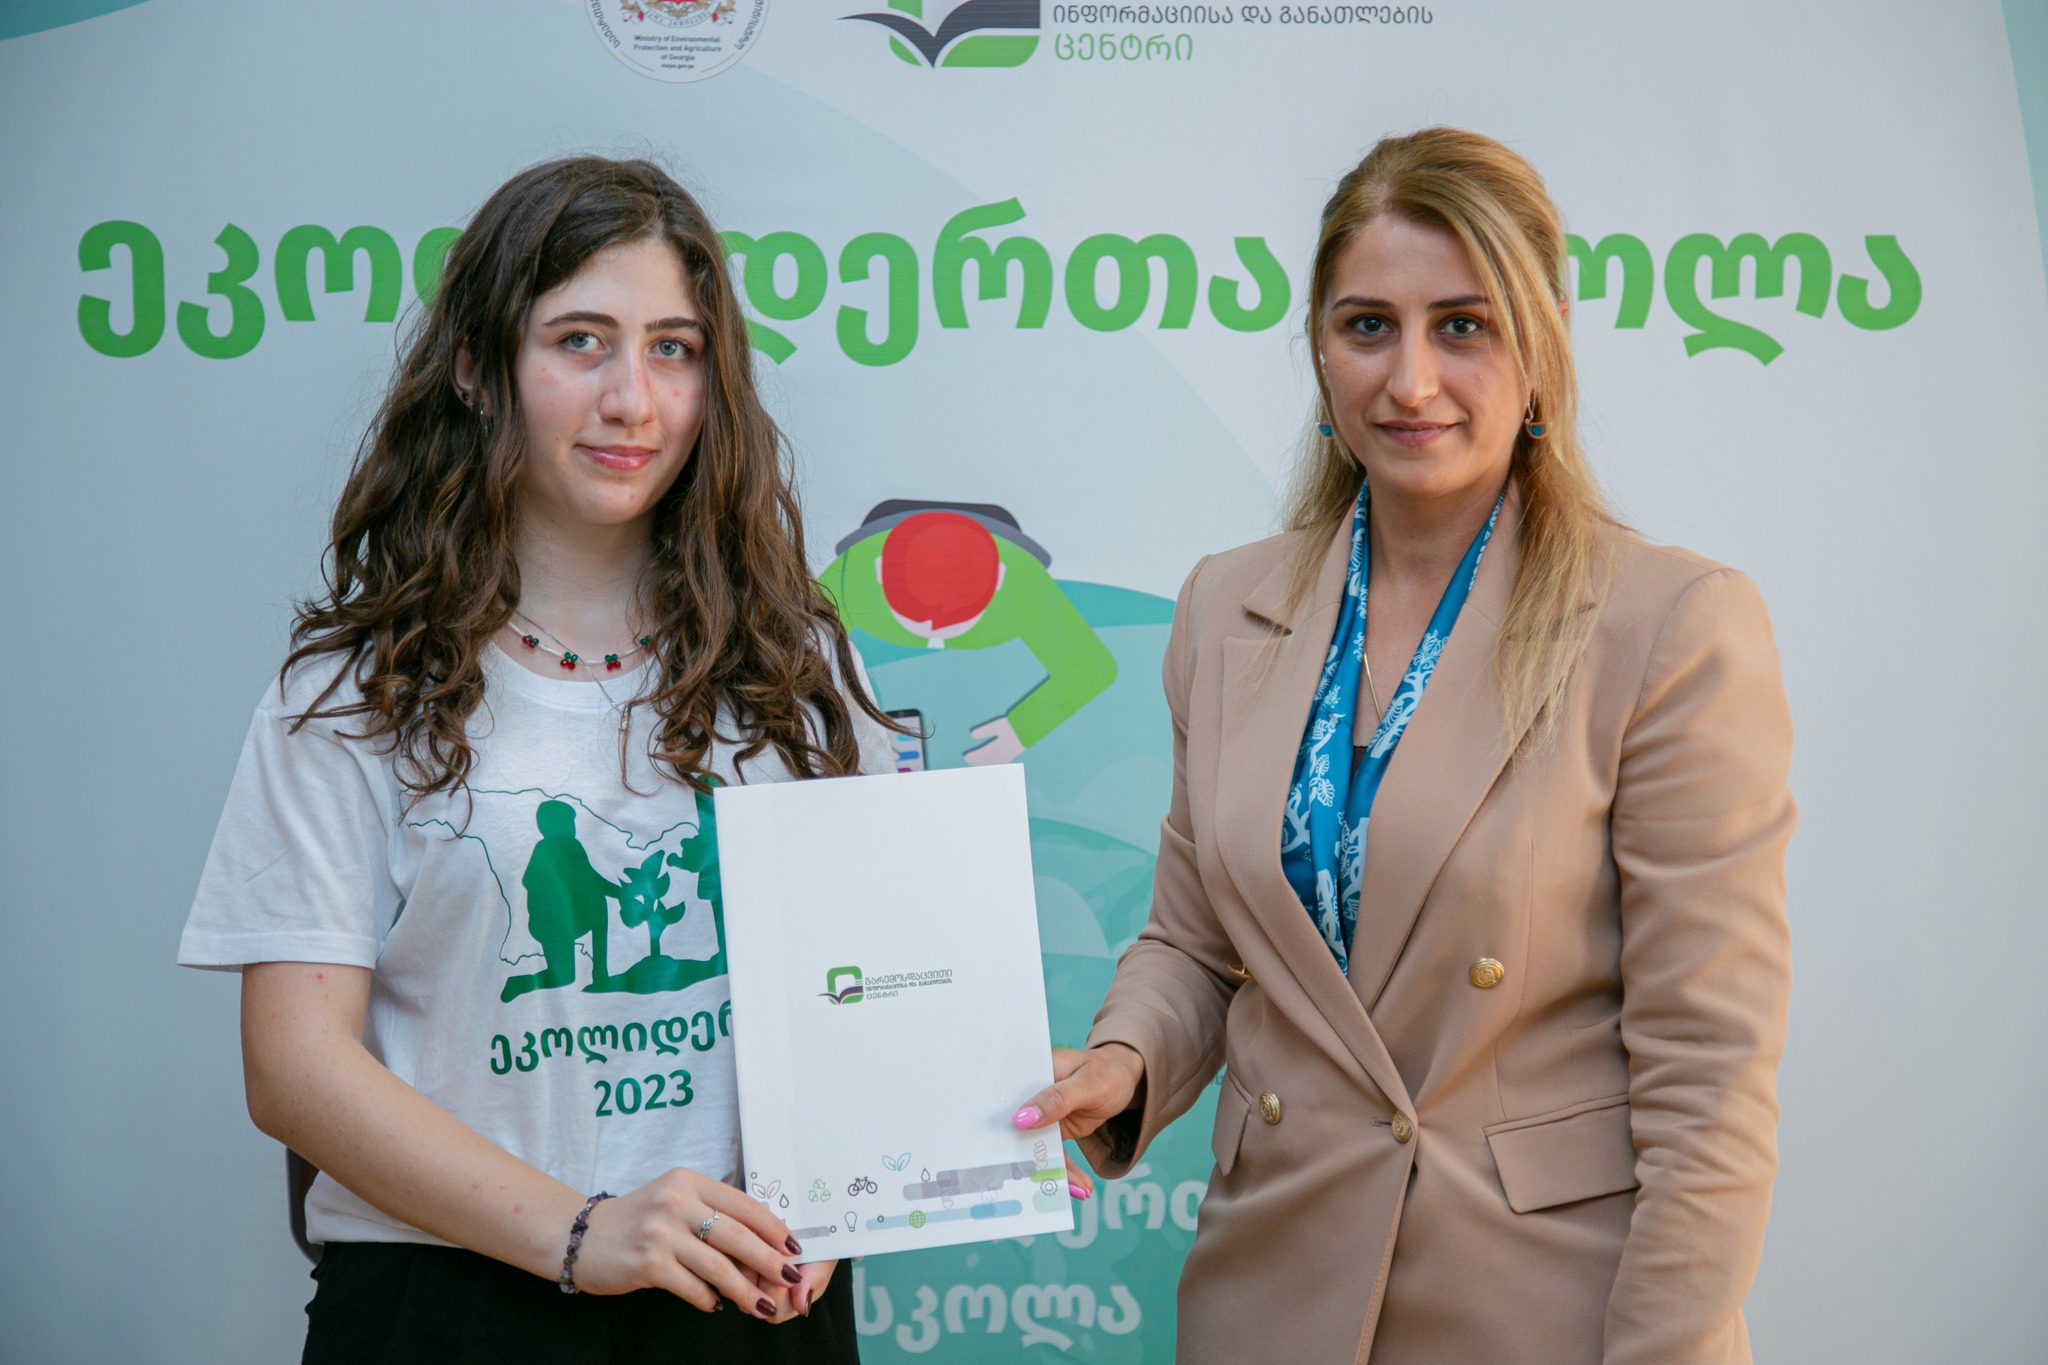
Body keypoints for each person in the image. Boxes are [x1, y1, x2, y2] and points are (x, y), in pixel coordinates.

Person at [1013, 127, 1795, 1364]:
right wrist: (1122, 1060)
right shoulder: (1223, 607)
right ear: (1319, 347)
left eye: (1462, 326)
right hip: (1269, 1293)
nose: (1409, 381)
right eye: (1367, 326)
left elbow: (1708, 1081)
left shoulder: (1667, 626)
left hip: (1539, 1309)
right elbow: (1196, 943)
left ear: (1542, 346)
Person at [178, 156, 897, 1364]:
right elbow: (294, 1069)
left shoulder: (801, 665)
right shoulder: (352, 692)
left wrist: (869, 1171)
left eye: (673, 349)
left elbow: (872, 981)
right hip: (449, 1302)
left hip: (748, 1300)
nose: (633, 400)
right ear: (475, 368)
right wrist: (580, 1231)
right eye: (579, 341)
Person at [819, 499, 1116, 764]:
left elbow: (1090, 667)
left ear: (999, 580)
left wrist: (1019, 731)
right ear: (879, 570)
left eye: (953, 626)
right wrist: (857, 734)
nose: (935, 633)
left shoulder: (1020, 579)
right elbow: (801, 651)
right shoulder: (853, 571)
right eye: (916, 621)